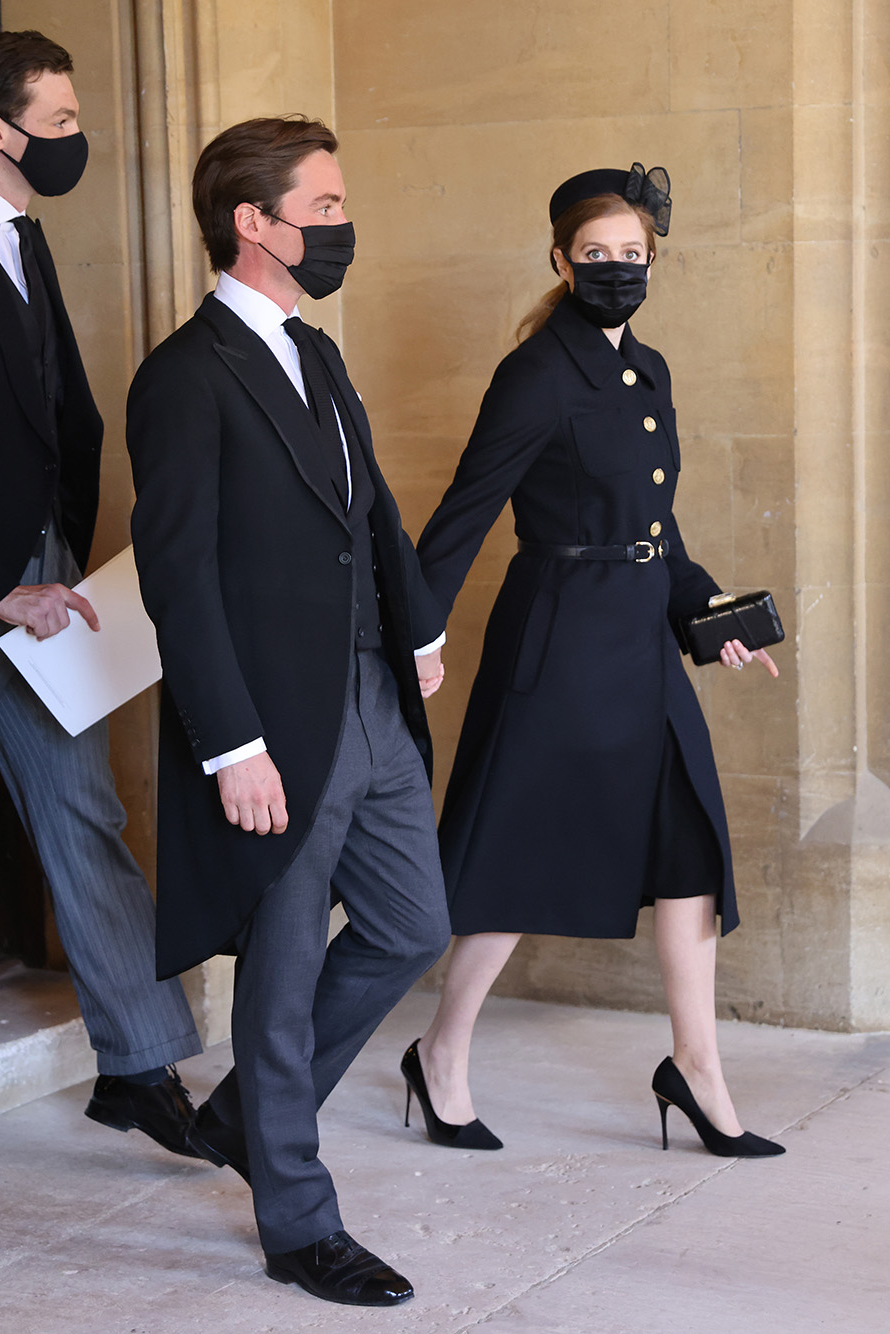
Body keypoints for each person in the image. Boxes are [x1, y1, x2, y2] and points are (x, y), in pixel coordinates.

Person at [125, 116, 451, 1307]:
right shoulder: (181, 377)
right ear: (252, 223)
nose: (340, 227)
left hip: (373, 695)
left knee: (414, 922)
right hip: (274, 721)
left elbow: (374, 512)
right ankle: (298, 1221)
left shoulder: (319, 357)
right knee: (278, 971)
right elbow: (179, 575)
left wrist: (413, 628)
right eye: (322, 207)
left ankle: (239, 1116)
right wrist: (231, 745)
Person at [401, 163, 785, 1161]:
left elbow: (654, 527)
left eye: (631, 254)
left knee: (691, 852)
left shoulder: (646, 368)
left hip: (644, 645)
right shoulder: (535, 373)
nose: (615, 268)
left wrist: (709, 611)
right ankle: (440, 1052)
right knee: (514, 858)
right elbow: (464, 512)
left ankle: (695, 1069)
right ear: (560, 260)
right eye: (595, 254)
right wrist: (414, 630)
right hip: (562, 643)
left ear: (650, 259)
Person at [0, 30, 202, 1154]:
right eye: (62, 122)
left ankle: (140, 1063)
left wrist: (58, 554)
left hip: (41, 586)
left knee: (84, 814)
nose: (78, 141)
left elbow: (61, 416)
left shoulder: (28, 241)